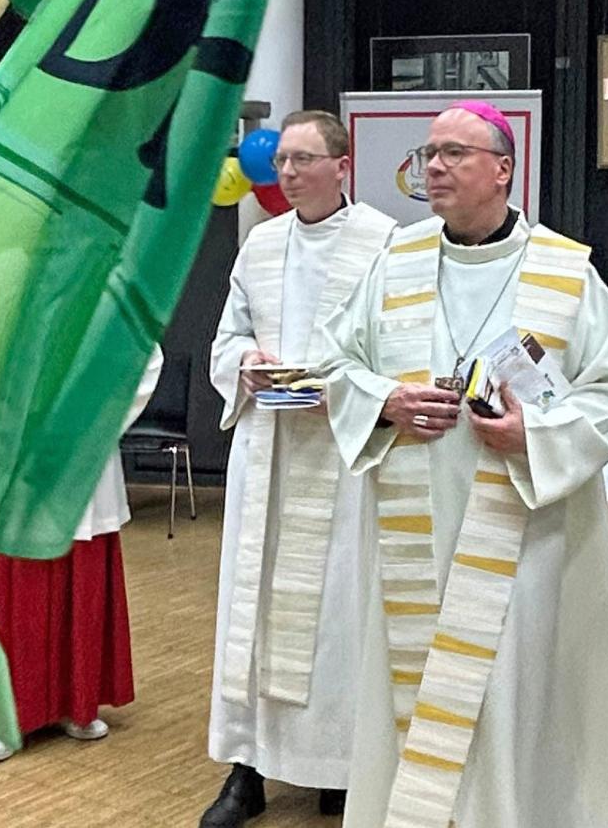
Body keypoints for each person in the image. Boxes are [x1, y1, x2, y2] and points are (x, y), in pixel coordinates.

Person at [310, 101, 608, 828]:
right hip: (418, 530)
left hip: (527, 541)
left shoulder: (565, 271)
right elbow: (332, 361)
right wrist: (386, 399)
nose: (433, 165)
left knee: (511, 696)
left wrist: (535, 431)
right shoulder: (396, 261)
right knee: (417, 693)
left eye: (455, 152)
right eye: (428, 151)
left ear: (503, 169)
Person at [200, 112, 397, 826]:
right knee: (252, 607)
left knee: (335, 615)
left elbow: (398, 344)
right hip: (269, 453)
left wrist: (345, 386)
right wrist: (246, 364)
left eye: (303, 159)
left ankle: (337, 767)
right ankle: (245, 768)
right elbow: (230, 336)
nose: (287, 172)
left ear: (342, 165)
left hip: (340, 453)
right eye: (281, 159)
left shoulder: (383, 243)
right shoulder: (260, 243)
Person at [0, 347, 166, 762]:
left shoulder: (109, 285)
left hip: (85, 453)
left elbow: (144, 352)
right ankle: (6, 717)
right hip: (18, 451)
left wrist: (92, 420)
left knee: (84, 582)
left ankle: (77, 704)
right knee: (15, 589)